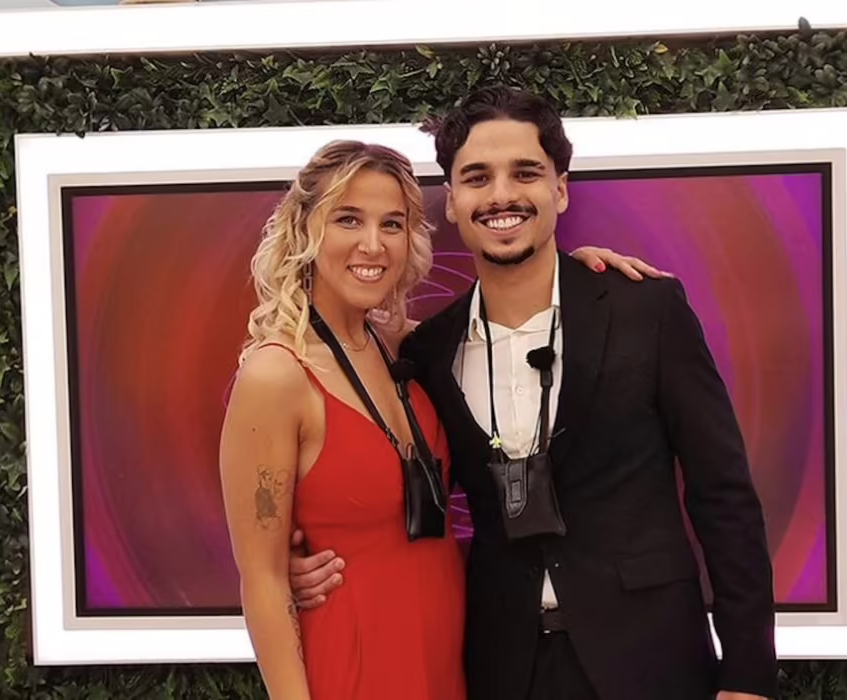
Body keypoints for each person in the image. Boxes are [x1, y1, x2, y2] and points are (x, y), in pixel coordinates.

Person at [289, 87, 780, 700]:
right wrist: (298, 560)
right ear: (453, 201)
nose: (501, 195)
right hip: (500, 666)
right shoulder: (426, 353)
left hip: (653, 661)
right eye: (477, 177)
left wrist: (748, 675)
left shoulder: (646, 311)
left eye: (525, 173)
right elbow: (383, 493)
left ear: (561, 189)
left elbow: (723, 497)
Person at [218, 139, 658, 700]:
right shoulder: (276, 375)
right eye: (347, 219)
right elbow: (262, 579)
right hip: (354, 664)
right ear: (305, 229)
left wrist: (572, 275)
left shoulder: (404, 346)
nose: (372, 244)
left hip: (444, 660)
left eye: (392, 224)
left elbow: (512, 310)